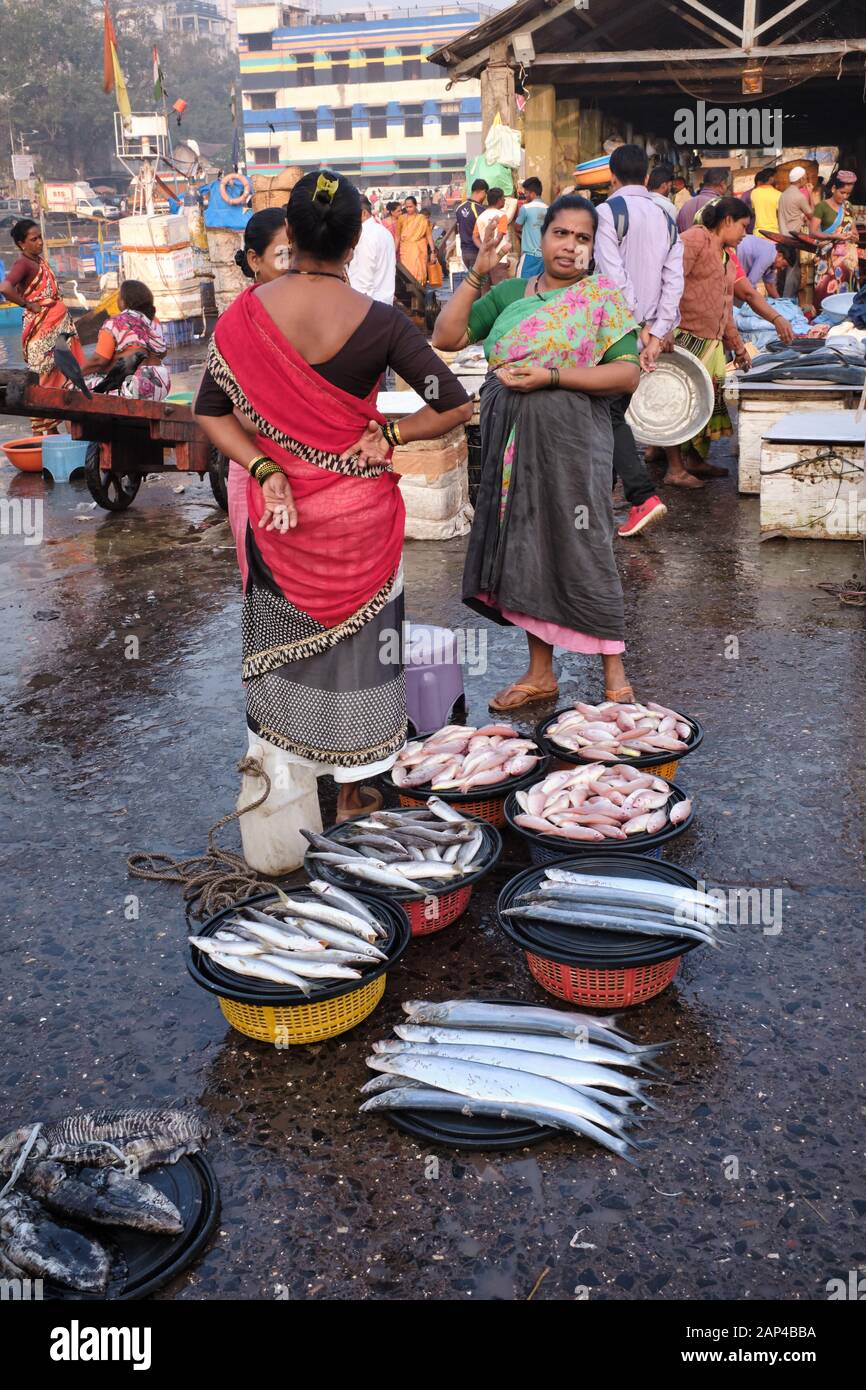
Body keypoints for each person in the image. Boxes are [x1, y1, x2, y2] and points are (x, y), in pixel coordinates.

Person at [193, 171, 473, 822]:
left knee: (287, 650)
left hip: (280, 518)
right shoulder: (380, 322)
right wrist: (391, 434)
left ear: (291, 233)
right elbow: (454, 406)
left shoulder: (243, 317)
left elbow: (210, 414)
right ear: (354, 243)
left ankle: (286, 790)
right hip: (360, 521)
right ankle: (355, 794)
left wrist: (265, 469)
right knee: (363, 657)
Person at [433, 196, 641, 711]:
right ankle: (541, 672)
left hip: (574, 442)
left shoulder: (600, 298)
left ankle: (615, 674)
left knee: (586, 544)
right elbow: (447, 335)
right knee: (527, 543)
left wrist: (552, 377)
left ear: (593, 249)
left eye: (583, 238)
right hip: (511, 439)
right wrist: (477, 275)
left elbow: (627, 372)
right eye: (561, 234)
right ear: (540, 236)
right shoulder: (506, 293)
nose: (570, 246)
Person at [595, 144, 680, 537]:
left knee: (608, 415)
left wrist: (635, 330)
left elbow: (613, 280)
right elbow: (672, 279)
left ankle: (641, 496)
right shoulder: (667, 216)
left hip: (616, 331)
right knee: (613, 415)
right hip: (646, 329)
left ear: (611, 175)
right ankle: (602, 500)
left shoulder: (606, 213)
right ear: (646, 177)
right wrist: (657, 331)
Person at [221, 210, 293, 585]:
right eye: (284, 256)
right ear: (254, 260)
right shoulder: (238, 322)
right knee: (268, 586)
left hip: (311, 469)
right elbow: (223, 412)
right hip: (258, 469)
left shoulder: (306, 310)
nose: (294, 266)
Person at [661, 196, 751, 489]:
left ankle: (695, 461)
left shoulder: (726, 257)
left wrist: (737, 346)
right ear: (727, 221)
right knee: (678, 403)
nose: (744, 234)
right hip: (683, 337)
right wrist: (663, 327)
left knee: (705, 404)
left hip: (711, 343)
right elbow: (669, 281)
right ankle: (674, 469)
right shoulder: (695, 239)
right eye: (742, 227)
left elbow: (726, 306)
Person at [0, 218, 86, 436]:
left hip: (58, 332)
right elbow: (6, 287)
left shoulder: (39, 261)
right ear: (21, 244)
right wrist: (28, 304)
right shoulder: (23, 264)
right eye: (34, 239)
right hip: (42, 334)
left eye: (40, 238)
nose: (40, 242)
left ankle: (65, 440)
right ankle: (42, 444)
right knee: (44, 386)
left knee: (66, 385)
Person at [82, 280, 171, 400]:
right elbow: (162, 353)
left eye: (119, 297)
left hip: (134, 387)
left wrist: (75, 374)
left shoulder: (115, 322)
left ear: (124, 302)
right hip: (161, 384)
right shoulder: (154, 321)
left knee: (77, 386)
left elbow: (99, 361)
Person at [810, 171, 860, 308]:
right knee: (826, 290)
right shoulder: (822, 206)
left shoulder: (848, 206)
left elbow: (854, 230)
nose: (845, 196)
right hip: (829, 258)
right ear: (833, 189)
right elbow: (813, 232)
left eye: (848, 194)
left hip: (848, 259)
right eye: (842, 192)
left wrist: (854, 236)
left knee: (846, 291)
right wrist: (835, 236)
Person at [347, 195, 396, 304]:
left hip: (367, 305)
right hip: (385, 302)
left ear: (364, 213)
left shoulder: (363, 234)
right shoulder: (384, 232)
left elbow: (364, 278)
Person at [473, 187, 513, 286]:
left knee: (486, 294)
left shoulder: (481, 216)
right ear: (499, 200)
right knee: (501, 293)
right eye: (503, 198)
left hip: (483, 261)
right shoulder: (502, 216)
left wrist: (483, 248)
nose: (504, 200)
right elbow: (498, 237)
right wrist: (490, 248)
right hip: (498, 260)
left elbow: (475, 237)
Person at [396, 195, 436, 286]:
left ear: (415, 206)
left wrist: (433, 251)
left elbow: (429, 236)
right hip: (406, 250)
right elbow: (397, 237)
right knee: (407, 271)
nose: (408, 209)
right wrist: (393, 251)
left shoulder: (422, 218)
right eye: (407, 207)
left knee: (419, 272)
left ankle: (420, 288)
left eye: (410, 207)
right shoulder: (401, 218)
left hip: (419, 249)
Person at [454, 178, 488, 283]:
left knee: (472, 281)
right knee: (480, 285)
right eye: (486, 193)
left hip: (464, 252)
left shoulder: (459, 208)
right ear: (482, 192)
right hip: (476, 252)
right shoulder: (480, 210)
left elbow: (458, 229)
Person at [676, 168, 730, 233]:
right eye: (726, 184)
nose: (727, 187)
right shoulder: (722, 205)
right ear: (722, 183)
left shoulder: (686, 205)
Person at [514, 176, 547, 279]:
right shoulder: (549, 208)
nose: (525, 195)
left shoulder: (525, 208)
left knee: (521, 285)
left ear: (532, 193)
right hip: (543, 256)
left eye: (526, 192)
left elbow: (517, 227)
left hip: (529, 255)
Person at [750, 167, 781, 239]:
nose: (778, 180)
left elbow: (754, 211)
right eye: (776, 177)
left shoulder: (754, 193)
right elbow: (779, 215)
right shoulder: (779, 194)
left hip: (758, 233)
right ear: (771, 179)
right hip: (773, 234)